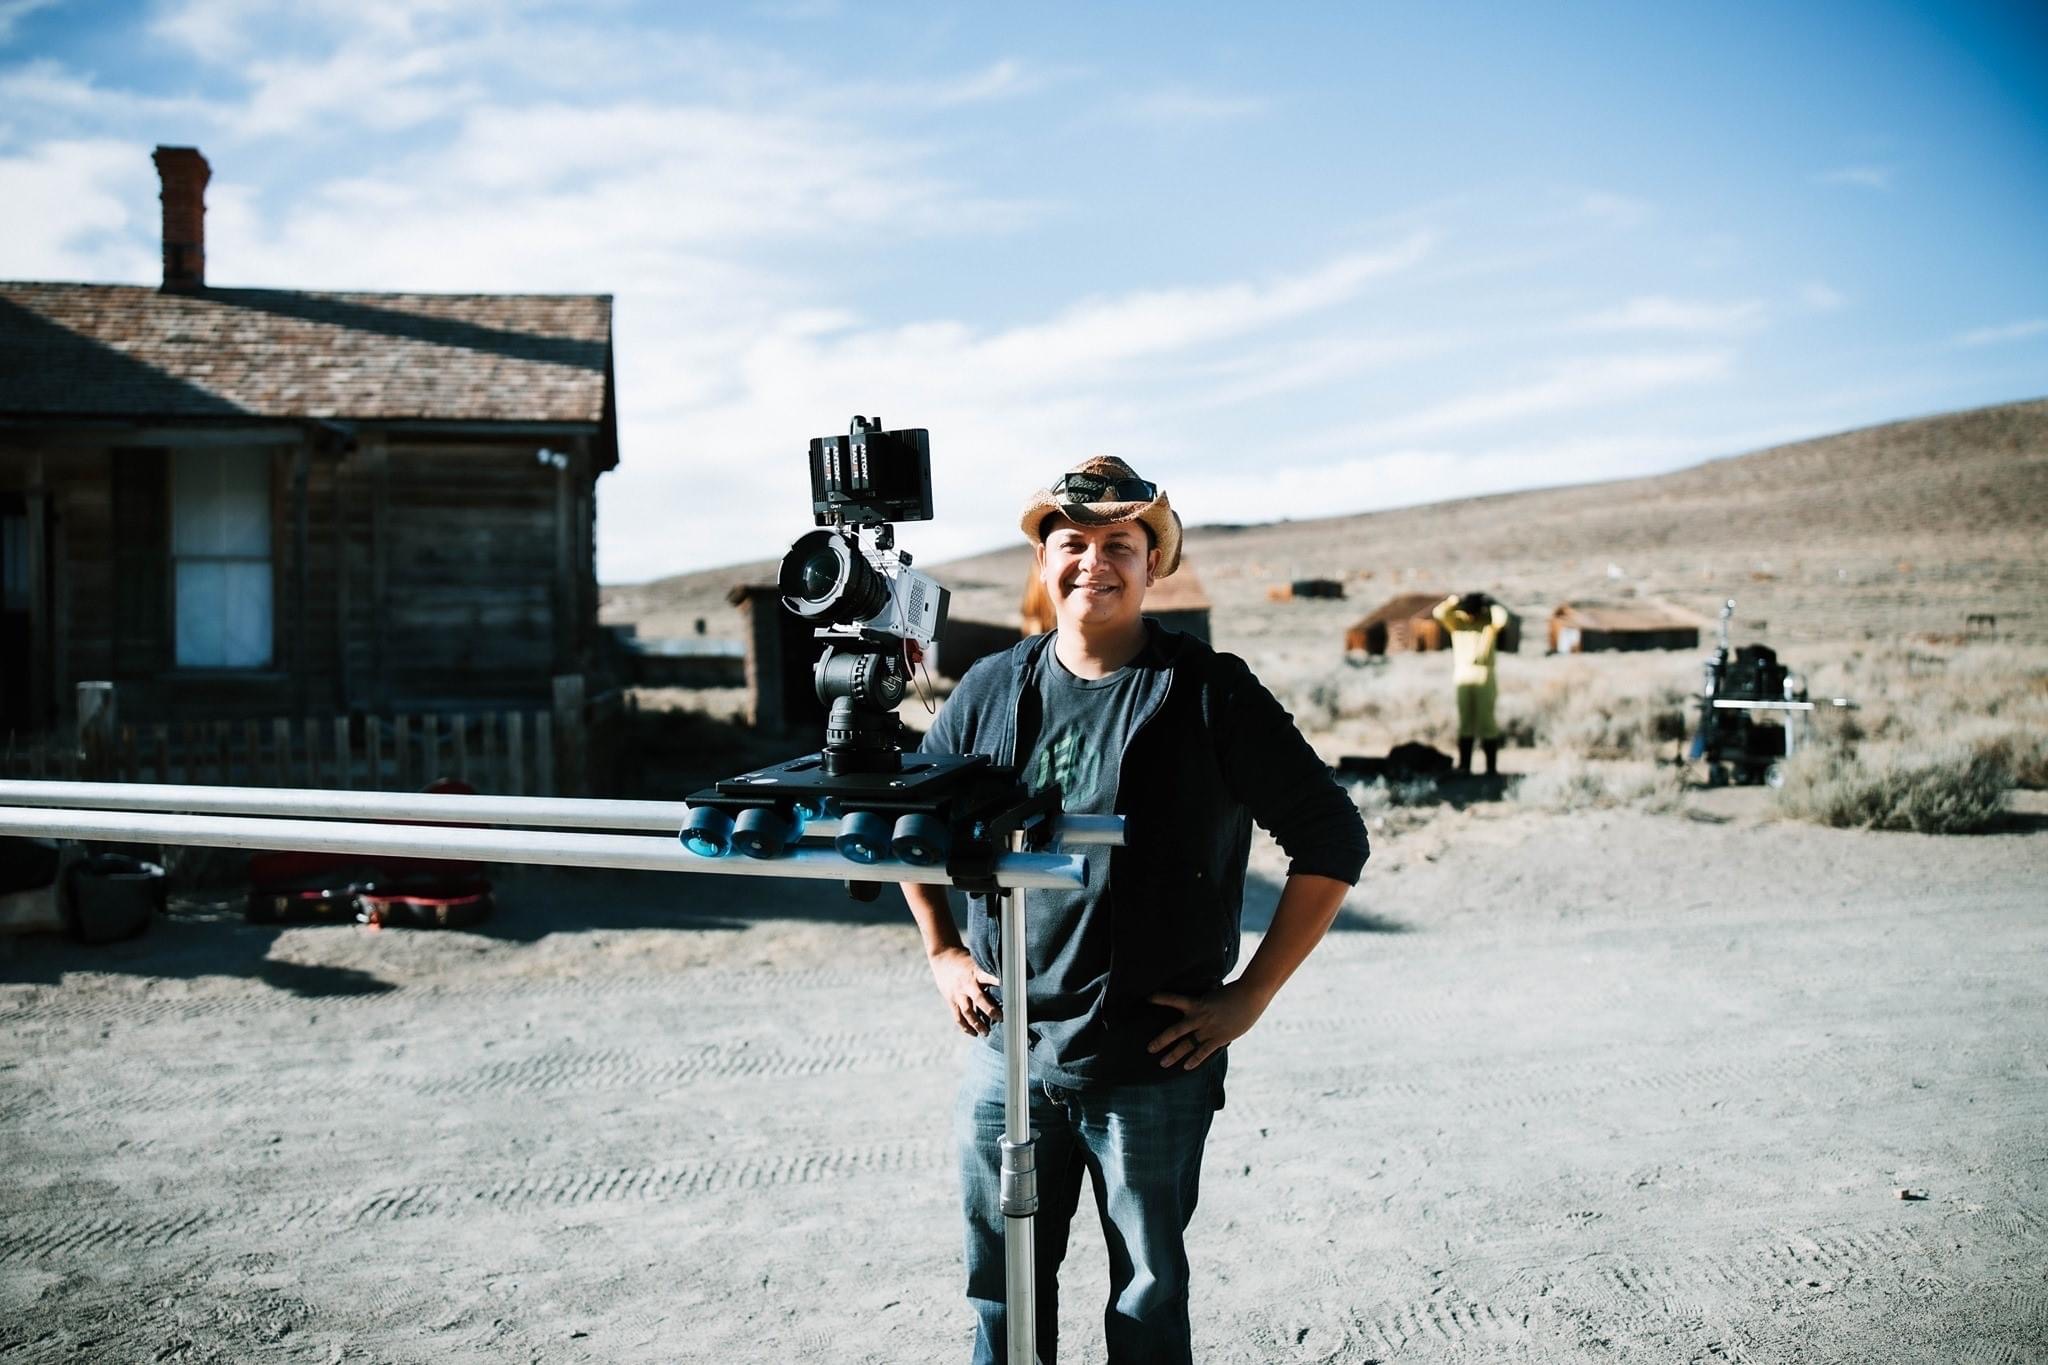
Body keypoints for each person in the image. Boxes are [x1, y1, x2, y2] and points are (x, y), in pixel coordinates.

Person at [900, 456, 1370, 1364]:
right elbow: (907, 822)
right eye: (1071, 543)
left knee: (1148, 1298)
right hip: (1008, 1049)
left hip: (1150, 1060)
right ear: (1043, 562)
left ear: (1155, 564)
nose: (1094, 562)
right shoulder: (991, 688)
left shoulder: (1210, 692)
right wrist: (943, 949)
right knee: (1001, 1288)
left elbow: (1332, 838)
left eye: (1120, 543)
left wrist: (1251, 994)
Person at [1431, 590, 1510, 775]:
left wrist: (1493, 605)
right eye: (1468, 611)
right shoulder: (1457, 622)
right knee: (1465, 721)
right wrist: (1454, 601)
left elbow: (1502, 620)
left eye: (1474, 612)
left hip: (1484, 673)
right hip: (1463, 673)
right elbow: (1439, 613)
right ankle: (1465, 766)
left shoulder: (1488, 622)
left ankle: (1491, 768)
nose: (1471, 615)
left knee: (1486, 721)